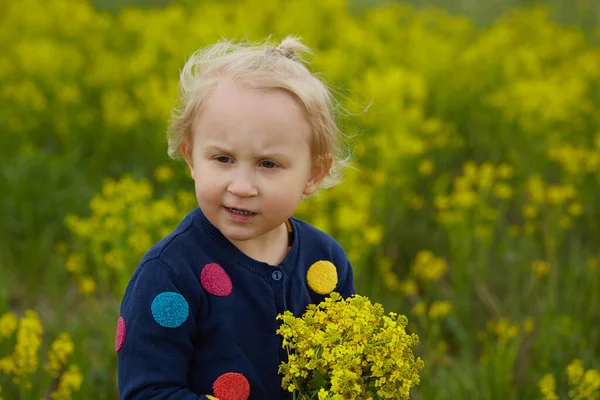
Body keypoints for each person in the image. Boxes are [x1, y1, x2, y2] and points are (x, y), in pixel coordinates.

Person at [115, 36, 356, 400]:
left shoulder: (326, 261)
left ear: (313, 174)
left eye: (268, 164)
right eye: (223, 159)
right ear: (191, 156)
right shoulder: (169, 275)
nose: (242, 186)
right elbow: (148, 392)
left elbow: (348, 368)